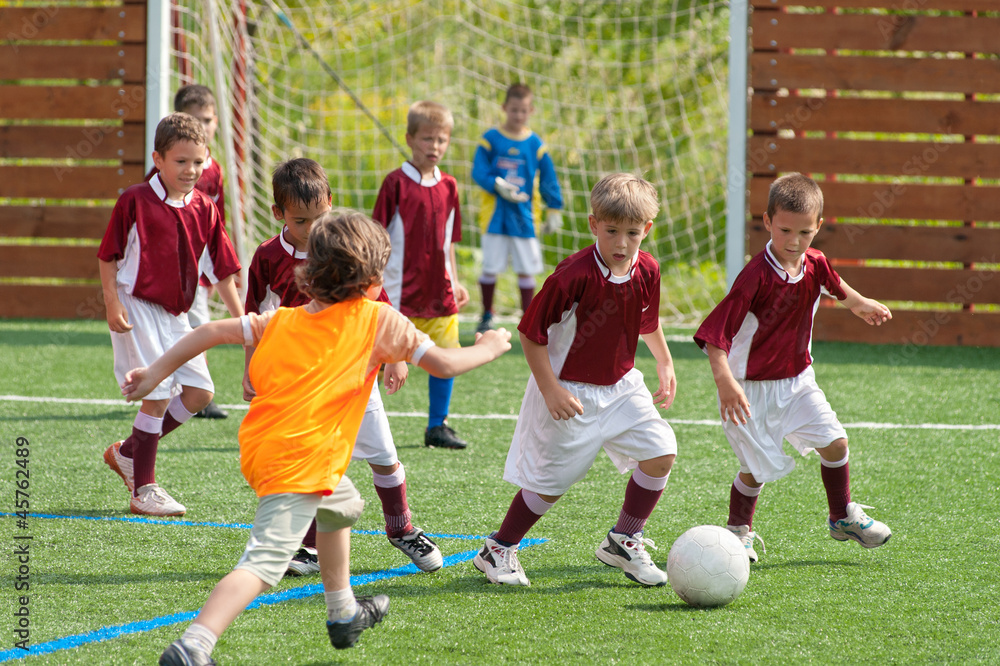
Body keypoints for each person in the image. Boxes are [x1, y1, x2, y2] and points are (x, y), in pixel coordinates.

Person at [120, 210, 511, 664]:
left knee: (342, 504)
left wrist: (152, 375)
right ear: (372, 279)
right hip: (299, 459)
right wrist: (489, 347)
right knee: (262, 564)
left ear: (310, 272)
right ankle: (194, 646)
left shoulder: (283, 319)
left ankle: (343, 612)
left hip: (269, 446)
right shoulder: (378, 320)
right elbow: (444, 364)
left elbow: (207, 332)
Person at [474, 173, 678, 588]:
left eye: (633, 233)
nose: (622, 243)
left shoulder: (648, 270)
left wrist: (665, 363)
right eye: (612, 231)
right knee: (550, 486)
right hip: (569, 390)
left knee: (661, 452)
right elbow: (531, 334)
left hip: (623, 387)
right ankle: (498, 548)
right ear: (593, 224)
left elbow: (646, 322)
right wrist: (551, 389)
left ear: (648, 230)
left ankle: (625, 538)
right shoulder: (572, 275)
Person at [244, 158, 444, 577]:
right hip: (301, 384)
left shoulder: (342, 248)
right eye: (301, 221)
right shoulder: (266, 257)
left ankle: (401, 528)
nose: (313, 229)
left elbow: (377, 301)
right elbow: (256, 317)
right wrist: (251, 369)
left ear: (331, 204)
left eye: (321, 217)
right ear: (278, 213)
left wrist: (394, 358)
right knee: (311, 465)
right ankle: (309, 545)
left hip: (355, 375)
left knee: (386, 458)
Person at [693, 172, 893, 563]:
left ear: (818, 226)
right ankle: (738, 532)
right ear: (767, 222)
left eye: (805, 232)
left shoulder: (815, 263)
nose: (794, 241)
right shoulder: (755, 277)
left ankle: (841, 516)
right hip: (750, 389)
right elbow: (715, 336)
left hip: (800, 381)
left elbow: (837, 287)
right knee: (756, 470)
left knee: (836, 443)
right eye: (785, 230)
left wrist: (861, 303)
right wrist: (726, 383)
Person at [98, 112, 243, 517]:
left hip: (177, 314)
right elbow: (108, 256)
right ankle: (143, 488)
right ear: (158, 159)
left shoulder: (207, 209)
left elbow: (225, 273)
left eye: (198, 162)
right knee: (158, 396)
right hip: (137, 305)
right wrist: (112, 301)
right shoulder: (135, 199)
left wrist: (246, 324)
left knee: (200, 394)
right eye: (181, 161)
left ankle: (129, 452)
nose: (191, 170)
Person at [372, 100, 472, 450]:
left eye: (442, 140)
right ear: (410, 139)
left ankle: (437, 426)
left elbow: (449, 242)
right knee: (374, 358)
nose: (435, 147)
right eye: (427, 139)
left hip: (439, 292)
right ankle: (354, 420)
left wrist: (455, 280)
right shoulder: (395, 184)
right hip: (397, 295)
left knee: (447, 357)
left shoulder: (450, 187)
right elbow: (376, 237)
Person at [146, 84, 230, 419]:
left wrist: (220, 264)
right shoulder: (161, 174)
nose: (202, 127)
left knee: (197, 321)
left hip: (201, 261)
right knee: (194, 323)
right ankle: (189, 391)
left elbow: (214, 223)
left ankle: (188, 389)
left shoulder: (216, 170)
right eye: (194, 120)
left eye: (207, 120)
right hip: (171, 266)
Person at [472, 83, 564, 334]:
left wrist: (554, 208)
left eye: (524, 111)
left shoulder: (535, 144)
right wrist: (496, 184)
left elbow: (548, 178)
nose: (518, 115)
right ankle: (487, 314)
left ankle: (528, 317)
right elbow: (478, 171)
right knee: (490, 266)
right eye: (514, 110)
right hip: (495, 216)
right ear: (504, 108)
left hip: (525, 217)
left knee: (526, 268)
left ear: (531, 110)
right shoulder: (490, 139)